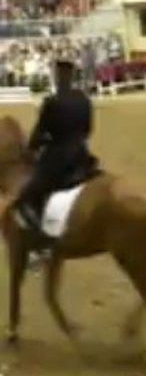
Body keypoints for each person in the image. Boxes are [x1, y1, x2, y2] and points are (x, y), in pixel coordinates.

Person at [11, 59, 100, 265]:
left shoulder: (52, 101)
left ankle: (43, 246)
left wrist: (33, 147)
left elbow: (39, 134)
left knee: (24, 200)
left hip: (57, 159)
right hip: (82, 156)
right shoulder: (84, 99)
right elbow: (88, 130)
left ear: (58, 77)